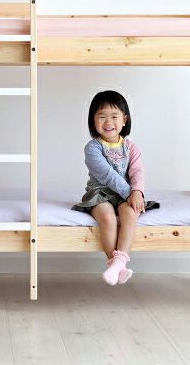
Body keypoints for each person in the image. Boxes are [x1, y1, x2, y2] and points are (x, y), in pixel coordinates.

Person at [72, 90, 158, 285]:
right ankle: (118, 265)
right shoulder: (93, 148)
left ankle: (118, 264)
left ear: (124, 120)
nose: (108, 122)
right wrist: (130, 193)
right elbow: (107, 176)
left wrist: (137, 192)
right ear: (93, 121)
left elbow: (137, 172)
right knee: (108, 218)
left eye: (114, 116)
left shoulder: (131, 147)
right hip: (100, 193)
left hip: (126, 194)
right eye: (102, 116)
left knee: (131, 213)